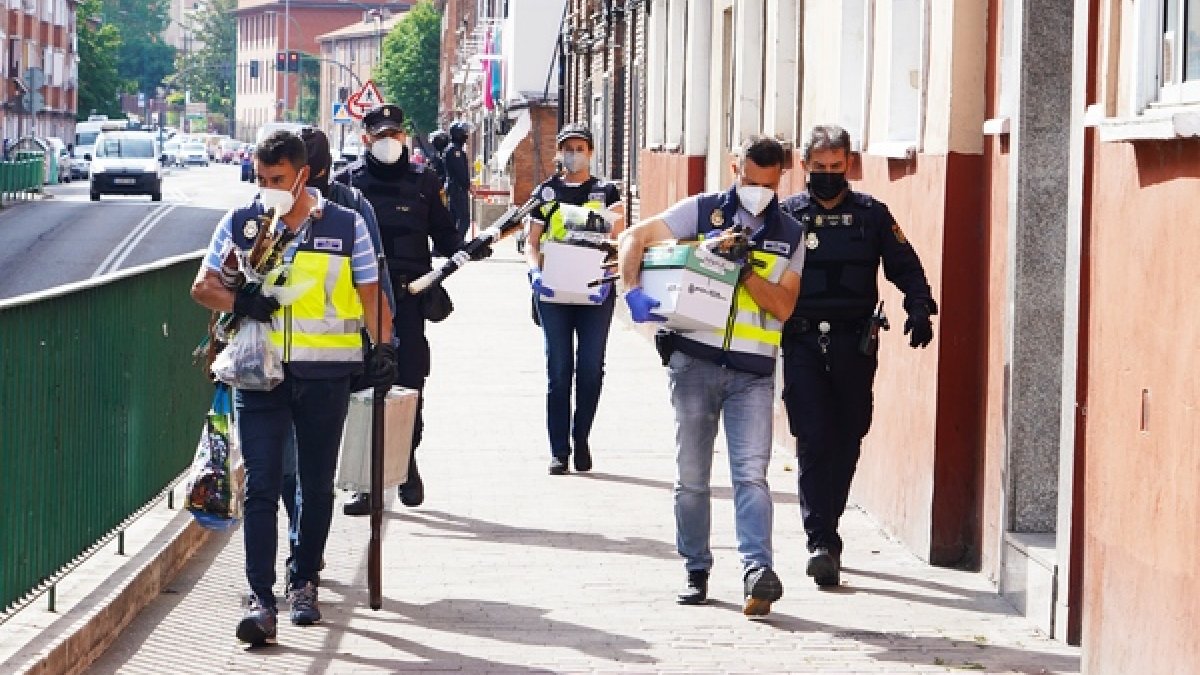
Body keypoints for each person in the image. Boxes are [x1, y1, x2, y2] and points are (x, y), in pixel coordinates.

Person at [191, 130, 395, 644]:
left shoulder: (346, 226)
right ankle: (261, 600)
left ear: (303, 174)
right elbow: (202, 286)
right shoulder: (241, 224)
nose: (267, 188)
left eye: (276, 179)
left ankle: (304, 581)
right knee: (260, 485)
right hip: (259, 376)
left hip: (325, 374)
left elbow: (371, 294)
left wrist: (386, 349)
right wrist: (241, 304)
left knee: (315, 483)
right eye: (260, 178)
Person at [616, 136, 804, 617]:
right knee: (692, 478)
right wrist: (632, 290)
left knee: (751, 476)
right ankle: (696, 569)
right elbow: (633, 236)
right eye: (749, 179)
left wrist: (744, 274)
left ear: (781, 176)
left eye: (767, 183)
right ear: (734, 166)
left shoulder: (790, 233)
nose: (757, 190)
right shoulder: (702, 212)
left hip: (753, 374)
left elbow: (783, 306)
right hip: (695, 362)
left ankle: (757, 574)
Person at [778, 124, 937, 589]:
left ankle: (830, 524)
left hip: (855, 343)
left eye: (836, 167)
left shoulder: (871, 215)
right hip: (802, 340)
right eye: (819, 167)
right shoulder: (786, 216)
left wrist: (920, 306)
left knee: (848, 436)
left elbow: (905, 265)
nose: (828, 175)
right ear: (804, 165)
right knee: (812, 436)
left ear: (850, 165)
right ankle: (821, 540)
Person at [335, 104, 474, 515]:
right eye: (380, 135)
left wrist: (466, 250)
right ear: (366, 139)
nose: (388, 142)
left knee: (410, 386)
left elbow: (446, 237)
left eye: (394, 134)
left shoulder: (424, 182)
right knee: (363, 391)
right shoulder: (348, 186)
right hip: (361, 305)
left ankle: (405, 463)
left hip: (409, 302)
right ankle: (365, 483)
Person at [273, 127, 397, 577]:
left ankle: (304, 556)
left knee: (314, 472)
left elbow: (375, 282)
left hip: (330, 364)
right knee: (285, 470)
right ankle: (302, 542)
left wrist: (385, 347)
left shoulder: (352, 210)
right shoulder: (268, 210)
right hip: (274, 364)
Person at [525, 123, 625, 474]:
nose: (573, 153)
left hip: (595, 292)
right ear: (559, 152)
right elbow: (532, 241)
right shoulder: (547, 192)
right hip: (553, 293)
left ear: (591, 152)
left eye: (580, 147)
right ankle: (558, 450)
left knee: (591, 368)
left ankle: (581, 437)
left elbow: (620, 240)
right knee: (559, 369)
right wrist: (534, 273)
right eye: (568, 147)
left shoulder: (606, 192)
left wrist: (612, 274)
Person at [444, 121, 472, 238]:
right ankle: (458, 244)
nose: (466, 135)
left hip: (455, 188)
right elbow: (460, 172)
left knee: (453, 219)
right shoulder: (454, 150)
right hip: (458, 188)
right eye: (463, 133)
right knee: (464, 219)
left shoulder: (455, 149)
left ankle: (450, 244)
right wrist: (467, 185)